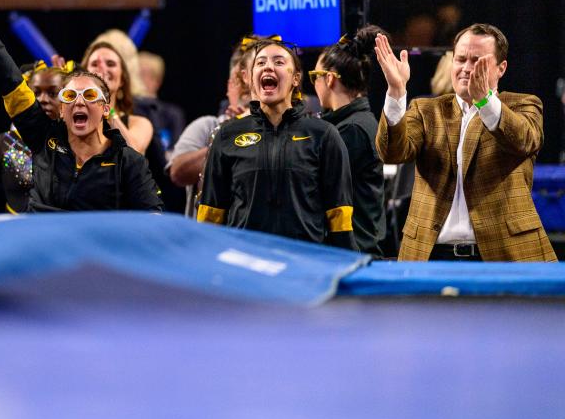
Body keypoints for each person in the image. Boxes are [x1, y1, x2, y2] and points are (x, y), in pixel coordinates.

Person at [0, 0, 162, 212]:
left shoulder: (128, 161)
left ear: (105, 108)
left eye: (90, 95)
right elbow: (9, 80)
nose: (79, 100)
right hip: (41, 244)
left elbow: (153, 218)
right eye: (70, 95)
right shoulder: (43, 140)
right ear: (62, 108)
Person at [375, 23, 557, 261]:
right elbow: (392, 153)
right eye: (460, 59)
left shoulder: (523, 105)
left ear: (501, 68)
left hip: (502, 257)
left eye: (477, 61)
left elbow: (523, 140)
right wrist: (396, 92)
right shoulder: (426, 110)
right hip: (430, 256)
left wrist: (484, 101)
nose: (467, 68)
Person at [198, 39, 356, 249]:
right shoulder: (228, 135)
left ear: (295, 78)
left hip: (304, 263)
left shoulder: (324, 134)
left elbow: (339, 214)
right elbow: (211, 212)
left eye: (279, 62)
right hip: (246, 263)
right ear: (252, 79)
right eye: (260, 63)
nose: (268, 66)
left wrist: (346, 266)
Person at [312, 26, 388, 256]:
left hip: (354, 253)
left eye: (314, 77)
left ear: (330, 79)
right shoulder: (347, 124)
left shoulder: (352, 130)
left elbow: (313, 182)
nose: (312, 84)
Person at [168, 37, 258, 217]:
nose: (246, 85)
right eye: (240, 80)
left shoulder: (283, 130)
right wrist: (229, 133)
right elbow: (178, 173)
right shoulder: (206, 125)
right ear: (229, 87)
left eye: (253, 79)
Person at [0, 62, 64, 213]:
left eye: (52, 93)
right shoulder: (3, 143)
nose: (43, 99)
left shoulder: (75, 142)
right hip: (15, 231)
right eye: (35, 93)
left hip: (63, 230)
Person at [81, 39, 155, 155]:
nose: (102, 69)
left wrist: (105, 105)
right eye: (94, 64)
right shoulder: (75, 120)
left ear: (122, 80)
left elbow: (132, 153)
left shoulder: (140, 123)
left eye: (110, 64)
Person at [136, 50, 186, 147]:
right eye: (134, 74)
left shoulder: (173, 114)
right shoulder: (127, 109)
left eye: (142, 74)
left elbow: (175, 153)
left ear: (157, 80)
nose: (137, 79)